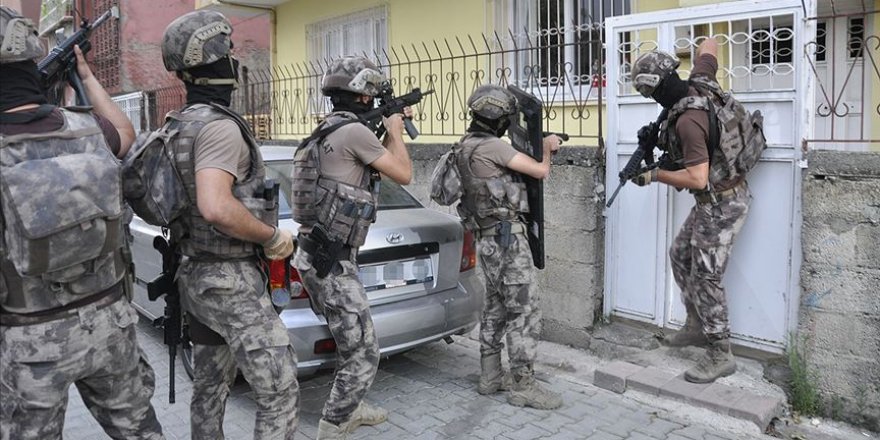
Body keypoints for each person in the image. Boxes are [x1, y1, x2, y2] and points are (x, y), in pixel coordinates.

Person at [0, 6, 164, 439]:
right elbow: (125, 135)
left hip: (30, 344)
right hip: (109, 323)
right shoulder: (88, 129)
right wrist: (87, 76)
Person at [159, 10, 298, 439]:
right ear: (221, 58)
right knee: (279, 389)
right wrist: (273, 236)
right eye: (230, 50)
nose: (235, 59)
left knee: (210, 386)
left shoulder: (178, 125)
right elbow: (216, 206)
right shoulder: (220, 128)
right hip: (229, 278)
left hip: (194, 272)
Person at [290, 56, 412, 439]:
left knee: (349, 341)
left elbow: (369, 166)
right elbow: (404, 173)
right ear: (363, 94)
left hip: (314, 254)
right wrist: (396, 130)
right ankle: (335, 423)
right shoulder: (356, 132)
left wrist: (386, 127)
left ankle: (352, 405)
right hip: (333, 261)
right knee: (364, 351)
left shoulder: (327, 129)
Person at [629, 38, 752, 383]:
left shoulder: (688, 122)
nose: (652, 100)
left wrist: (654, 175)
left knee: (707, 275)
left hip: (723, 203)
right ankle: (696, 324)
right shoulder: (700, 79)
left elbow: (697, 178)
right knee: (680, 254)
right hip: (713, 199)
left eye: (649, 94)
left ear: (657, 89)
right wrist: (698, 42)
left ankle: (720, 353)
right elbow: (710, 44)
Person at [454, 85, 563, 410]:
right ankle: (524, 386)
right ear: (498, 118)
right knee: (524, 310)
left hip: (488, 239)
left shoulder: (466, 145)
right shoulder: (492, 147)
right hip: (507, 241)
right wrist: (547, 147)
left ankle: (490, 376)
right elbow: (540, 171)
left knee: (496, 306)